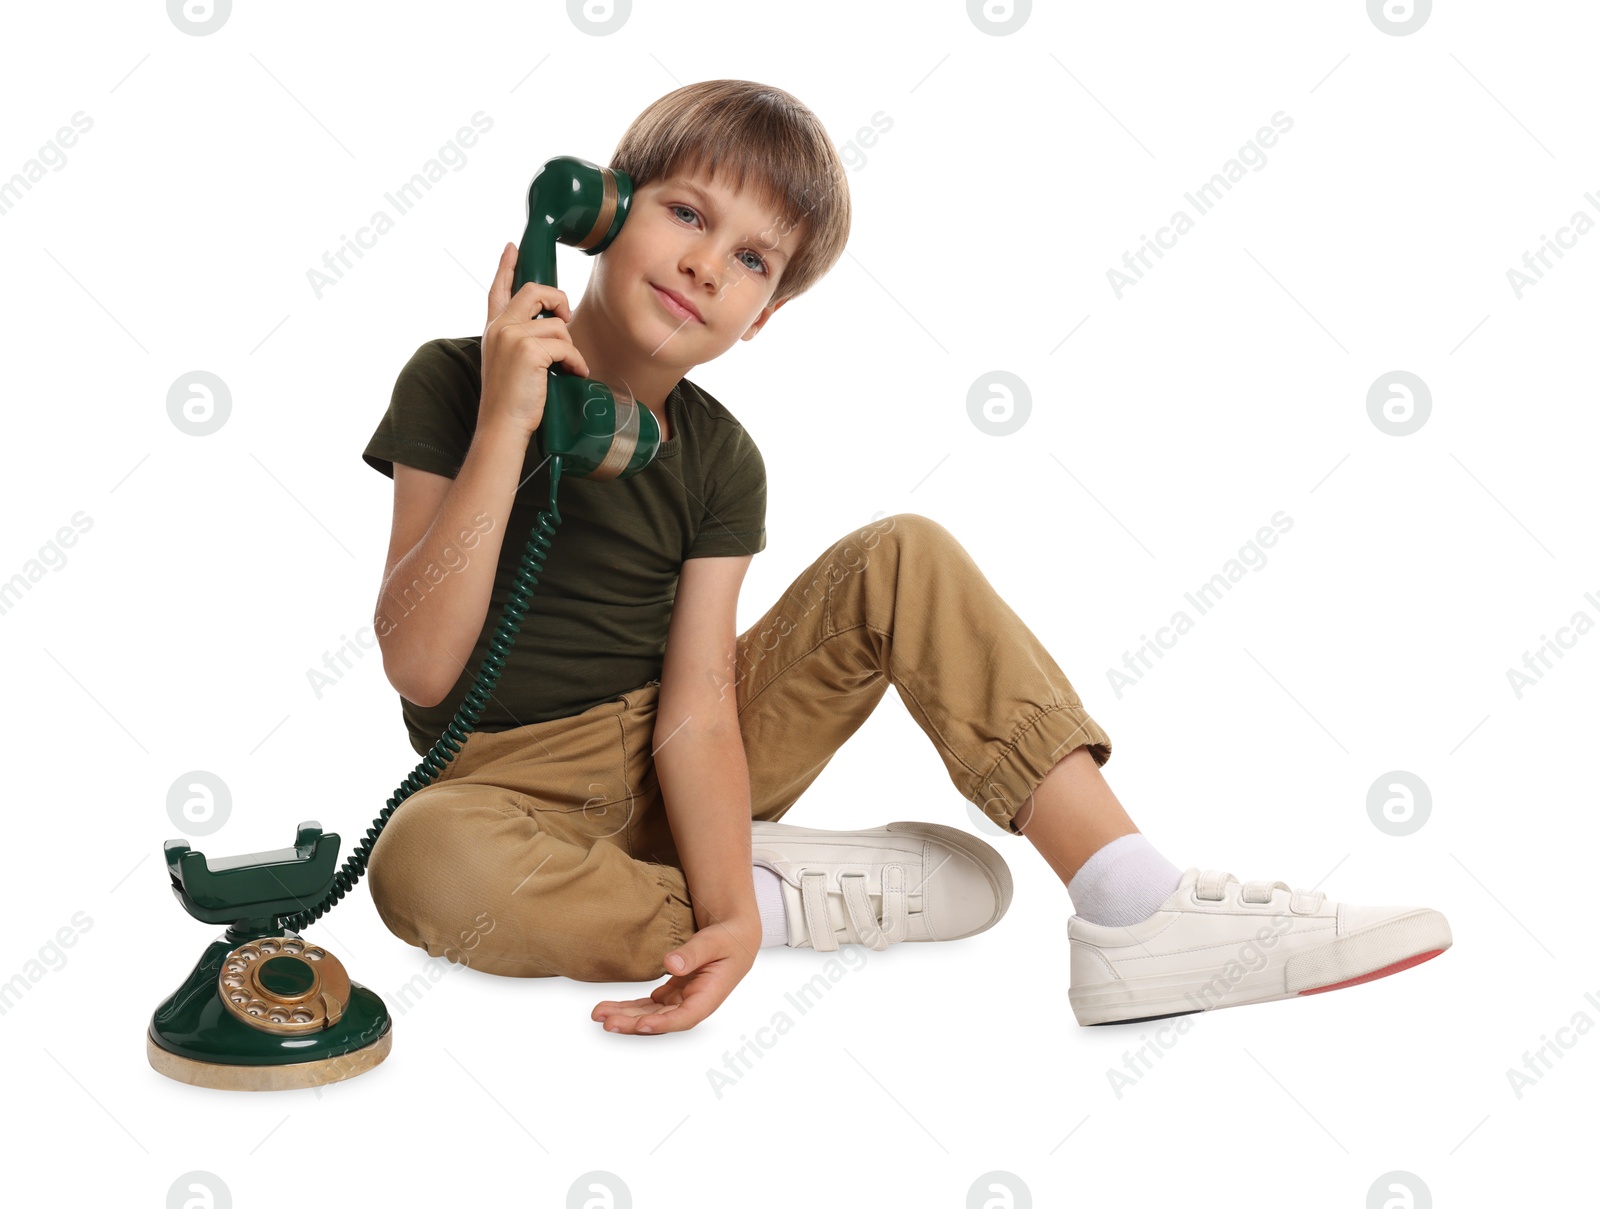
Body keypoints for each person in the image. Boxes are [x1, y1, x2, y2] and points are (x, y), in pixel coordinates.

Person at [360, 79, 1451, 1036]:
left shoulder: (719, 459)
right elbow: (419, 668)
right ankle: (788, 899)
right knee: (418, 863)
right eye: (686, 212)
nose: (704, 262)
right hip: (500, 790)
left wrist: (721, 899)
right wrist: (508, 422)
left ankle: (1131, 901)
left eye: (750, 258)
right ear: (597, 213)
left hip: (675, 753)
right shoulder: (453, 381)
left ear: (763, 317)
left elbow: (697, 707)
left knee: (902, 552)